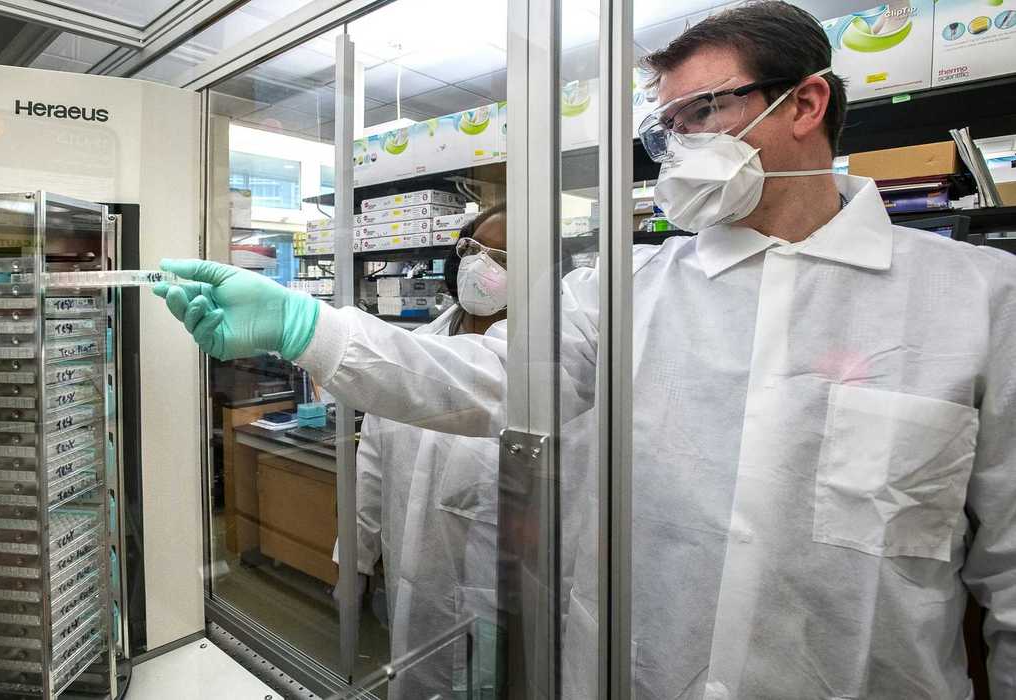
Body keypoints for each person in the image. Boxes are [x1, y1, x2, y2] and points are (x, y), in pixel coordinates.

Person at [155, 2, 1016, 697]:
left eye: (703, 111)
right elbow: (476, 381)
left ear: (804, 103)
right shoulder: (618, 291)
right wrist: (307, 328)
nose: (679, 145)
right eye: (666, 126)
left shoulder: (976, 299)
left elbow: (1009, 569)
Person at [346, 205, 506, 700]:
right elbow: (372, 460)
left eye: (502, 257)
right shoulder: (416, 345)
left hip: (498, 587)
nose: (482, 266)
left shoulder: (554, 364)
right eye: (474, 250)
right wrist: (355, 557)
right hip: (412, 569)